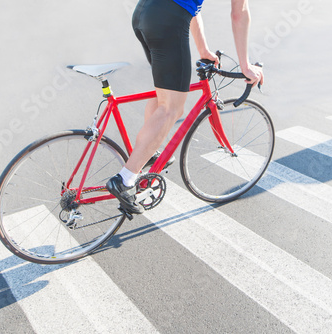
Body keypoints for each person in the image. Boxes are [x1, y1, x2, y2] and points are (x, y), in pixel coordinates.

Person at [106, 0, 264, 214]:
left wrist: (203, 49)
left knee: (164, 92)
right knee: (172, 108)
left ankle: (149, 153)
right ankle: (125, 180)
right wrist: (245, 66)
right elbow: (240, 12)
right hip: (168, 20)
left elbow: (193, 7)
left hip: (145, 13)